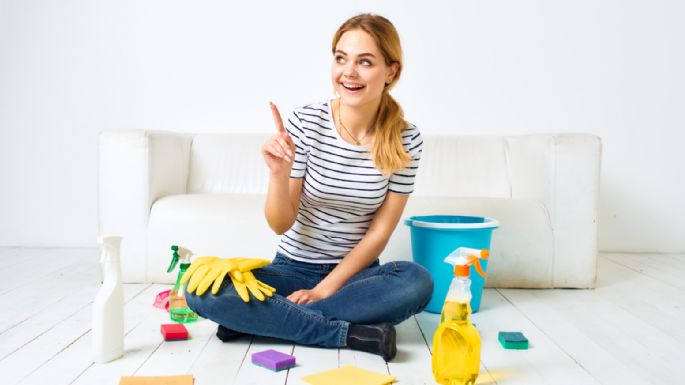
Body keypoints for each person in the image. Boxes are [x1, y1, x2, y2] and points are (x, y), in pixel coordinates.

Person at [185, 13, 433, 362]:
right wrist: (278, 173)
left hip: (355, 279)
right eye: (341, 58)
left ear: (391, 72)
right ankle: (349, 334)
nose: (348, 72)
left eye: (365, 62)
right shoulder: (306, 121)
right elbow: (279, 224)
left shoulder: (407, 140)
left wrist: (324, 290)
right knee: (201, 289)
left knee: (416, 280)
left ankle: (264, 322)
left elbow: (379, 234)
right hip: (291, 269)